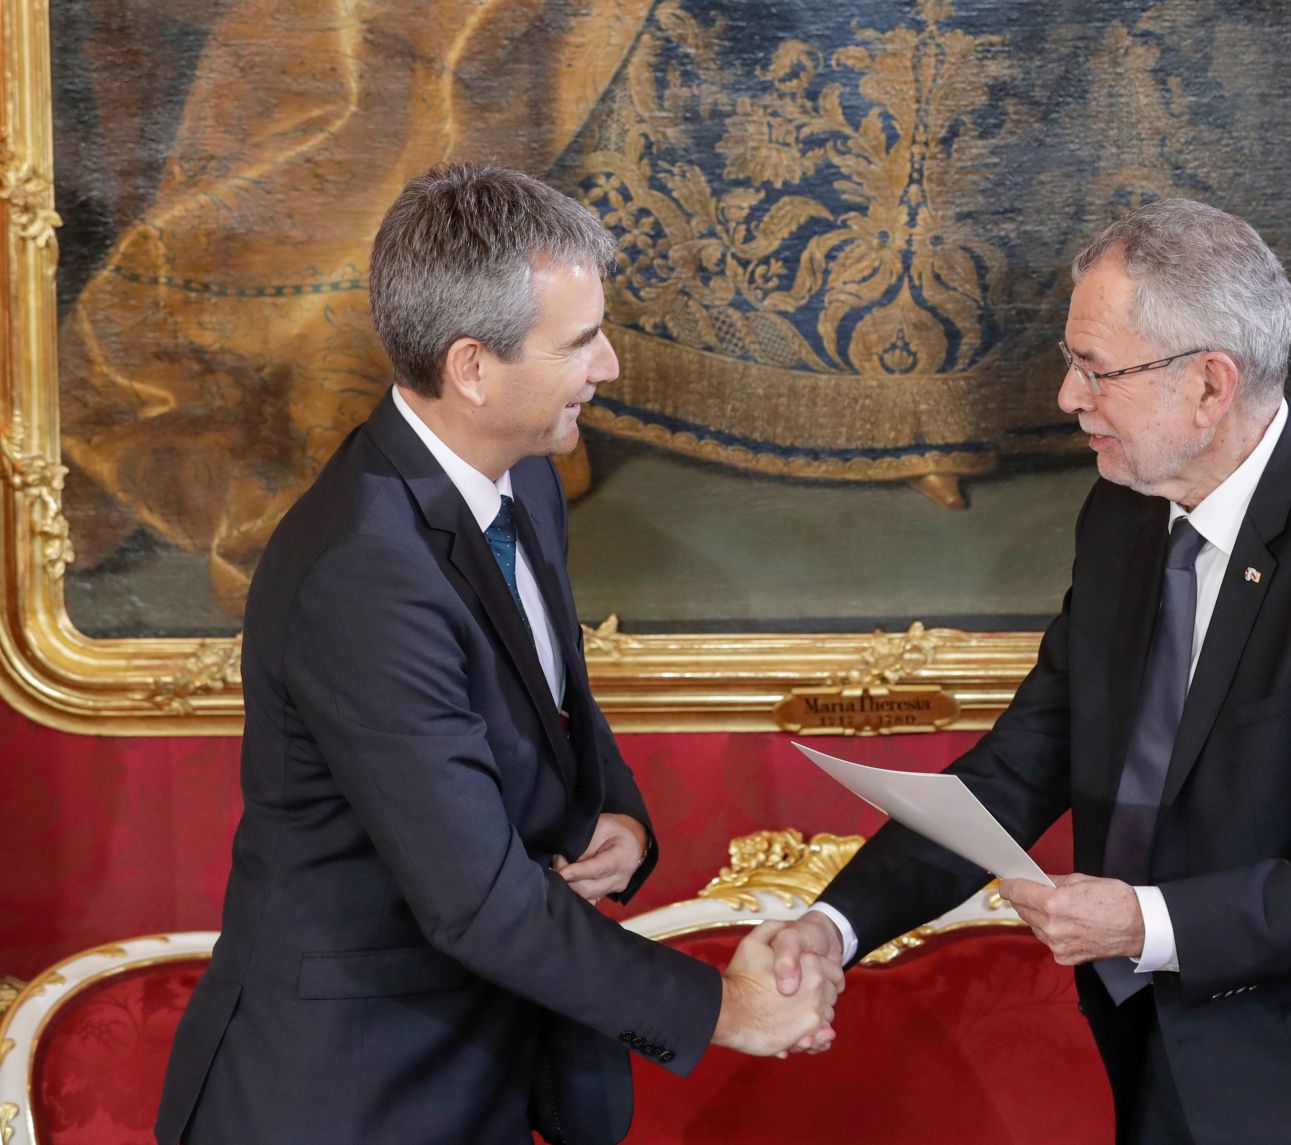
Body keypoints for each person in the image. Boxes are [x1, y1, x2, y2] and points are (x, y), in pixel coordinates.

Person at [765, 199, 1291, 1144]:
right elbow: (1019, 767)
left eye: (1095, 369)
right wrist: (837, 925)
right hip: (1164, 1064)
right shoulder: (1121, 514)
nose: (1069, 396)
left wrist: (1143, 923)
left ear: (1209, 384)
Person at [155, 163, 842, 1145]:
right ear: (473, 366)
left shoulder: (524, 480)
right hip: (350, 1092)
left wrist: (617, 815)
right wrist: (724, 1009)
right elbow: (474, 900)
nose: (607, 364)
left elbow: (549, 699)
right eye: (579, 342)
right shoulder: (361, 572)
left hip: (492, 1063)